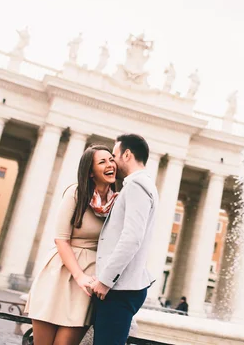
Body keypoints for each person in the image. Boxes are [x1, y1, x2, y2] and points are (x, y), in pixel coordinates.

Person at [26, 145, 118, 345]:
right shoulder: (76, 193)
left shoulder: (117, 200)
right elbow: (61, 239)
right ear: (91, 172)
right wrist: (79, 276)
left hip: (89, 279)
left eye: (111, 159)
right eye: (102, 162)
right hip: (61, 272)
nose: (110, 164)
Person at [89, 134, 159, 345]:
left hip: (119, 289)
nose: (112, 162)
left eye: (114, 155)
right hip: (123, 287)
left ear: (127, 154)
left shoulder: (137, 186)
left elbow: (131, 238)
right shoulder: (142, 184)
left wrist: (105, 280)